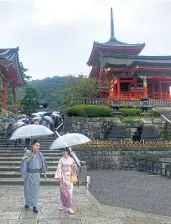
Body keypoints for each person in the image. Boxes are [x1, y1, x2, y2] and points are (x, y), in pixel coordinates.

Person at [20, 140, 47, 213]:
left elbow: (43, 163)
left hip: (36, 175)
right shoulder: (28, 152)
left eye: (39, 146)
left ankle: (34, 205)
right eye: (37, 145)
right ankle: (27, 203)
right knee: (27, 190)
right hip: (29, 174)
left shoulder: (40, 154)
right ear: (33, 145)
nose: (38, 147)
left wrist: (44, 173)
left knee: (35, 190)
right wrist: (30, 158)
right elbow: (24, 162)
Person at [54, 147, 77, 214]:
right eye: (62, 151)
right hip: (63, 177)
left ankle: (69, 207)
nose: (63, 153)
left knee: (69, 193)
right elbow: (59, 168)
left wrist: (74, 166)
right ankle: (61, 204)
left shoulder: (71, 159)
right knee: (63, 192)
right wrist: (60, 177)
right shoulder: (61, 160)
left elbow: (73, 168)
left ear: (67, 152)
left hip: (69, 177)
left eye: (64, 151)